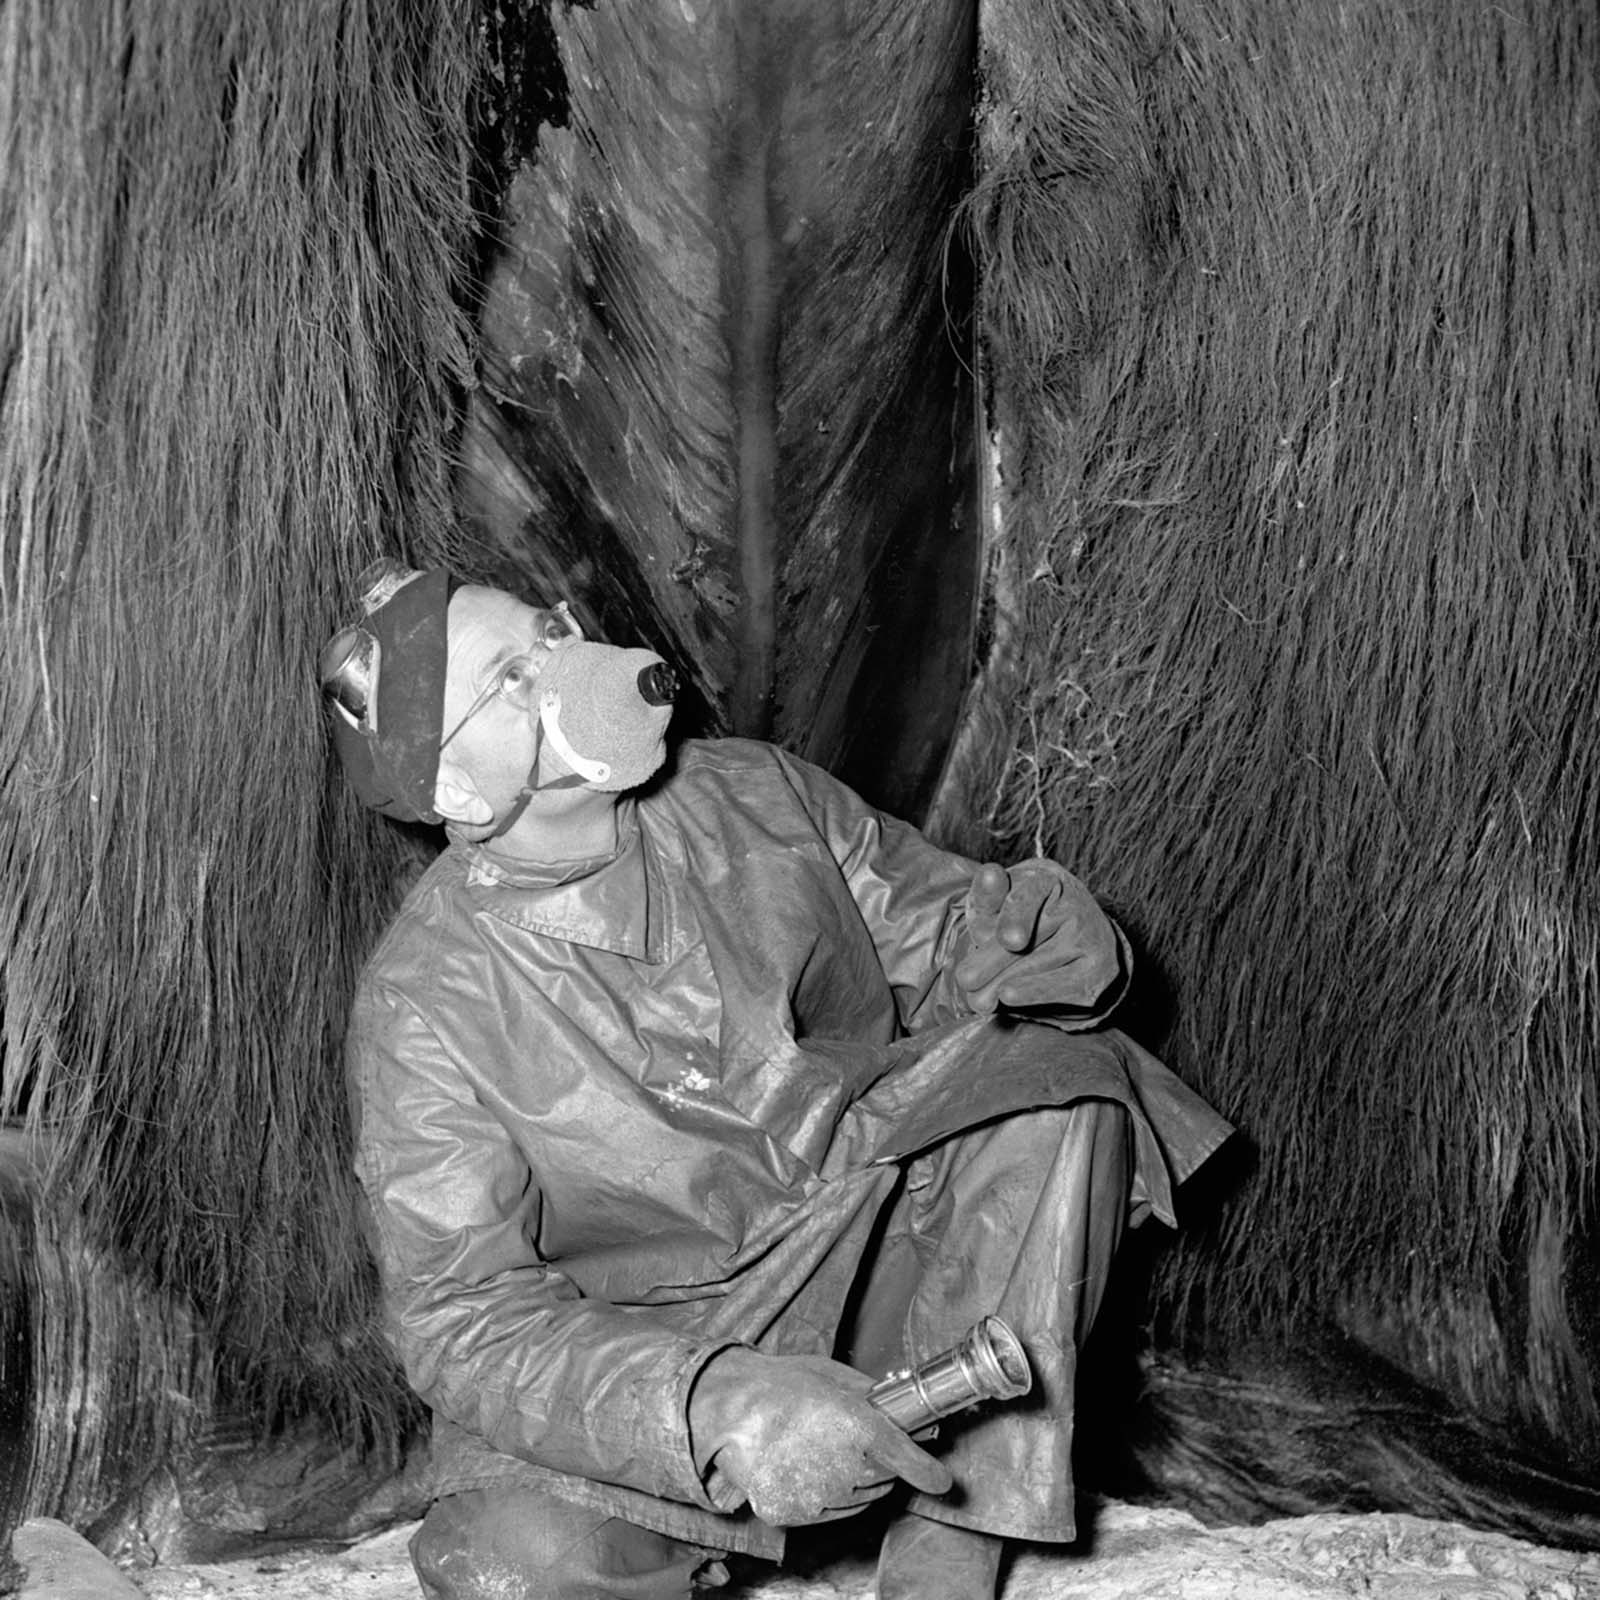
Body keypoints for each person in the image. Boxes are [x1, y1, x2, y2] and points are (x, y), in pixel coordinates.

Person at [319, 562, 1231, 1600]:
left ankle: (955, 1522)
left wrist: (1026, 939)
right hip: (663, 1345)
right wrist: (712, 1403)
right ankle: (712, 1536)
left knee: (1067, 1085)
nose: (567, 665)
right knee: (510, 1562)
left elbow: (943, 935)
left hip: (879, 1238)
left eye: (551, 633)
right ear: (451, 788)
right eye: (513, 676)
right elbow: (466, 1317)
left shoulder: (754, 789)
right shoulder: (422, 1002)